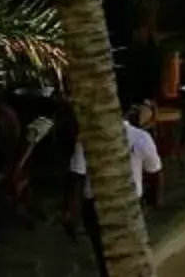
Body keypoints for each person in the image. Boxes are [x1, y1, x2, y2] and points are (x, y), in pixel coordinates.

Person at [68, 89, 163, 272]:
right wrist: (154, 200)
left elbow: (77, 177)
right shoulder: (141, 138)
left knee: (103, 256)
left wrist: (71, 211)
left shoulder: (87, 139)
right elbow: (156, 172)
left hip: (96, 206)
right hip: (128, 204)